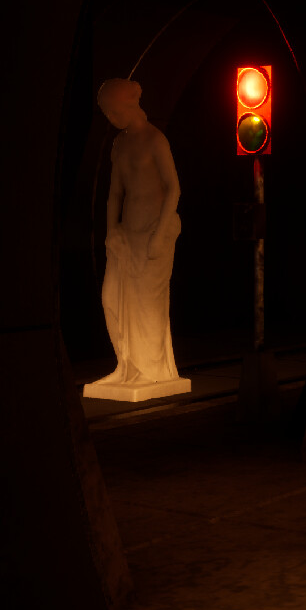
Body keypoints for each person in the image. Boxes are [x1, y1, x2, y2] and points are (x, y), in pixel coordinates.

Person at [84, 78, 191, 400]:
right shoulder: (119, 143)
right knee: (111, 298)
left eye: (114, 110)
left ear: (129, 105)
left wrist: (159, 235)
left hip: (154, 230)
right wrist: (111, 232)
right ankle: (126, 365)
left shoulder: (155, 140)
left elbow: (173, 188)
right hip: (127, 234)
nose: (111, 118)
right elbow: (115, 193)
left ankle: (150, 370)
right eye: (107, 113)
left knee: (147, 306)